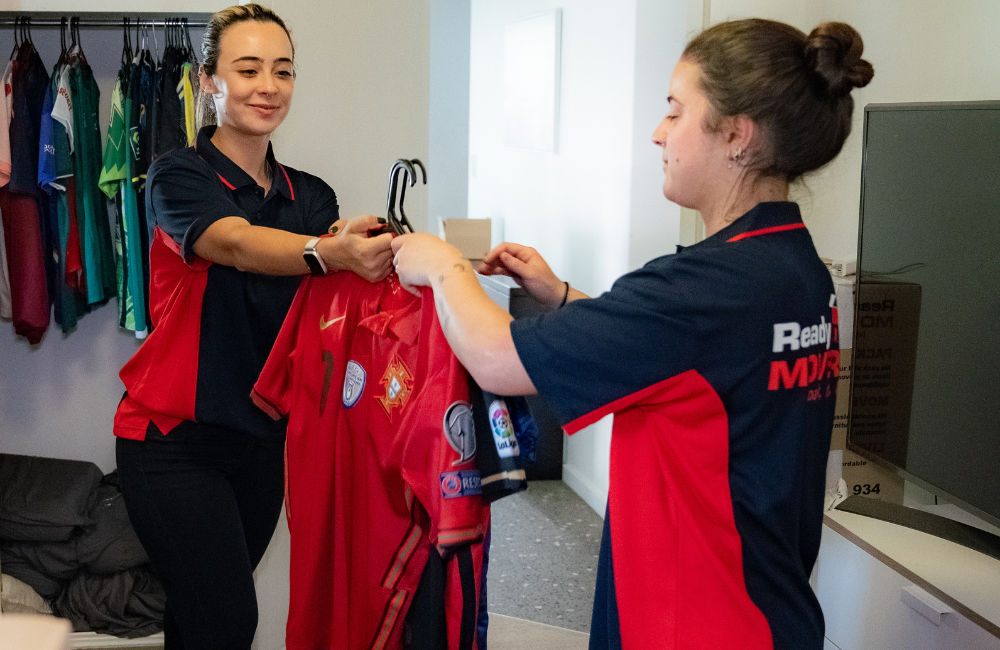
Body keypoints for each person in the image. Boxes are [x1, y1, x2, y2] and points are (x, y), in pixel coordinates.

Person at [392, 18, 873, 650]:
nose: (658, 133)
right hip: (771, 614)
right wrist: (564, 298)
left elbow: (494, 358)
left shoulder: (701, 287)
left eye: (675, 112)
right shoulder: (792, 267)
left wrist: (442, 263)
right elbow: (695, 365)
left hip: (693, 625)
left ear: (735, 134)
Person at [112, 5, 393, 649]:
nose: (268, 86)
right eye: (247, 69)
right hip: (172, 440)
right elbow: (235, 244)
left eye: (282, 70)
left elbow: (322, 274)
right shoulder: (178, 174)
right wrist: (324, 251)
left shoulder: (311, 195)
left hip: (262, 439)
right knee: (229, 622)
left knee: (198, 619)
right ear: (210, 80)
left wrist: (358, 245)